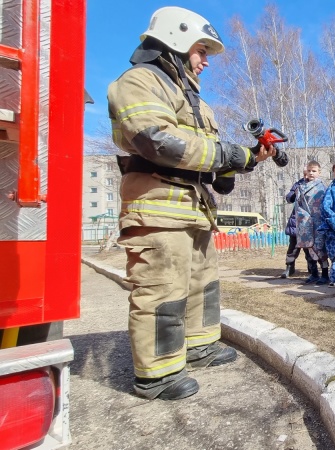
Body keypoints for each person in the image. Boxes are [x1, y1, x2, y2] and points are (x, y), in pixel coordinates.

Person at [108, 6, 286, 400]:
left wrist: (250, 158)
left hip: (195, 209)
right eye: (201, 50)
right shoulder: (139, 82)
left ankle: (199, 345)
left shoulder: (198, 103)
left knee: (201, 286)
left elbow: (215, 168)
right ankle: (157, 374)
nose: (206, 61)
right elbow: (157, 141)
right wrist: (231, 155)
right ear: (175, 40)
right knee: (162, 289)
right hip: (156, 206)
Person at [280, 169, 319, 280]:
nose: (308, 174)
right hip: (297, 220)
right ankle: (289, 267)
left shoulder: (318, 185)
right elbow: (289, 197)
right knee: (293, 247)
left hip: (309, 221)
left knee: (309, 247)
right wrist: (293, 194)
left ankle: (312, 268)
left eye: (312, 171)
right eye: (306, 172)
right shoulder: (299, 183)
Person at [295, 161, 329, 285]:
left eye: (314, 171)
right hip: (304, 223)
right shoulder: (300, 186)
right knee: (307, 248)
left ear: (319, 172)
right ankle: (313, 273)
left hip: (317, 223)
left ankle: (325, 274)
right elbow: (297, 205)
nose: (311, 173)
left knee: (320, 249)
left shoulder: (322, 187)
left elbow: (325, 205)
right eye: (309, 170)